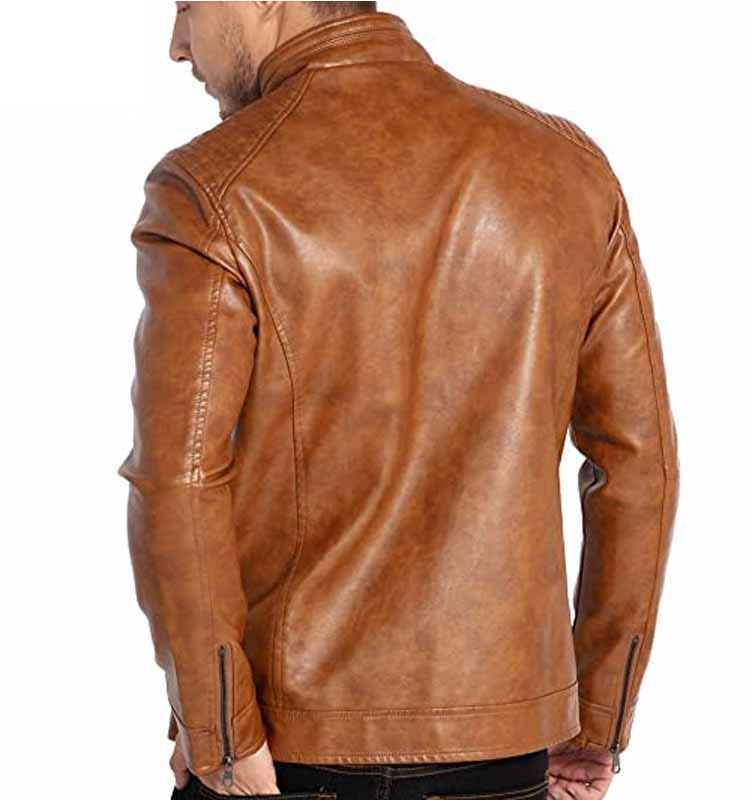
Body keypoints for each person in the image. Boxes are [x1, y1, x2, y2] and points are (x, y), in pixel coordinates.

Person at [117, 3, 680, 799]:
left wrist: (221, 735)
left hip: (285, 755)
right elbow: (640, 466)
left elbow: (177, 480)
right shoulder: (566, 170)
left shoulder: (214, 189)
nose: (179, 46)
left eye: (186, 7)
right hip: (504, 753)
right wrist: (595, 720)